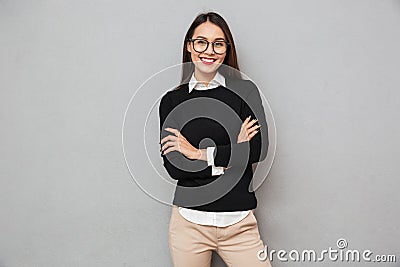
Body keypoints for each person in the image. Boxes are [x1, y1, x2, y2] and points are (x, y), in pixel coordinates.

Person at [159, 11, 272, 267]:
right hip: (189, 226)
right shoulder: (172, 101)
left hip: (239, 224)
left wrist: (199, 154)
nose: (209, 50)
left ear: (226, 49)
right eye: (201, 42)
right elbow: (175, 167)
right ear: (189, 46)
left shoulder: (245, 91)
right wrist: (234, 154)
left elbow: (258, 149)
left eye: (218, 43)